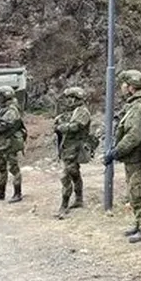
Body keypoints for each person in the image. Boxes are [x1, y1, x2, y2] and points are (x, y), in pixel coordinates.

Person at [104, 70, 141, 243]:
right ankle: (140, 223)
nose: (121, 87)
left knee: (137, 192)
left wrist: (116, 152)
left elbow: (133, 137)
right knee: (134, 191)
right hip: (136, 155)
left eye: (124, 84)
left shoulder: (138, 107)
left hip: (138, 156)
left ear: (131, 87)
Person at [54, 86, 92, 216]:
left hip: (76, 147)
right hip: (68, 147)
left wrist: (61, 127)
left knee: (66, 176)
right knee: (74, 173)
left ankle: (64, 205)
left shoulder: (82, 112)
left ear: (76, 98)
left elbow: (76, 126)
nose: (68, 101)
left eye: (70, 98)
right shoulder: (73, 111)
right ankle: (79, 199)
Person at [0, 87, 26, 203]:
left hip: (10, 142)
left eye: (0, 96)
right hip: (2, 142)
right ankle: (0, 192)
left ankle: (17, 193)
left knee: (14, 168)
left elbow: (3, 126)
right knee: (1, 167)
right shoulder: (3, 108)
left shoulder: (12, 110)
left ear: (5, 96)